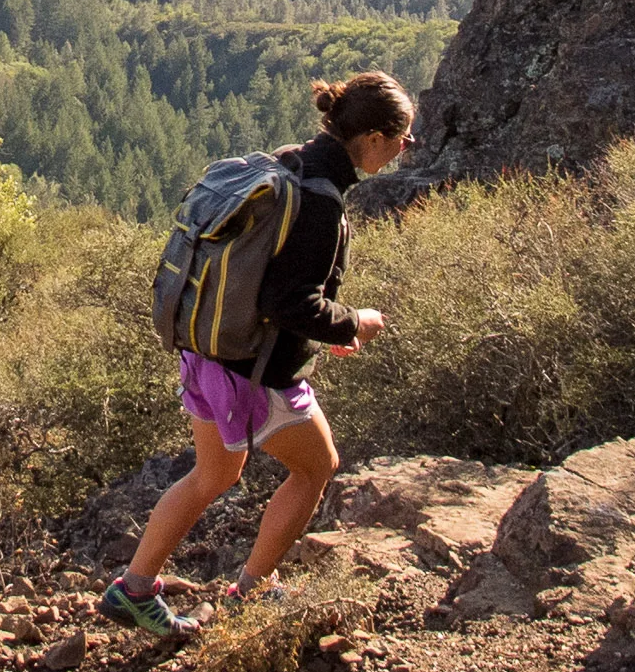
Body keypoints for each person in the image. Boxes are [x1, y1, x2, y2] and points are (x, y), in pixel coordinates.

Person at [100, 72, 413, 638]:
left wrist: (324, 331)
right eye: (401, 138)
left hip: (206, 354)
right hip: (254, 373)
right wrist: (354, 324)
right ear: (371, 137)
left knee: (210, 475)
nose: (403, 150)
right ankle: (251, 594)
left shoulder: (290, 163)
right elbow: (290, 301)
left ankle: (134, 589)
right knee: (317, 467)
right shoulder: (319, 202)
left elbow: (269, 283)